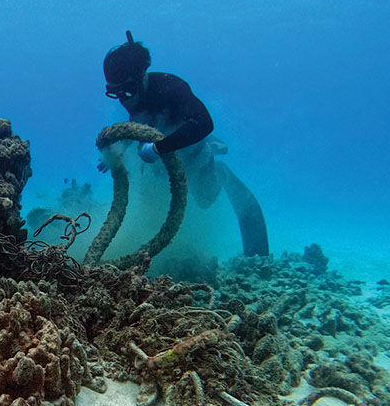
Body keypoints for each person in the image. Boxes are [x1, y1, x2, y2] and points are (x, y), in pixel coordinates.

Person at [101, 30, 269, 257]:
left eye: (127, 90)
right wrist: (120, 149)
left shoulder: (172, 87)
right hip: (160, 160)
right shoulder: (131, 95)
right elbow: (139, 124)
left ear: (142, 76)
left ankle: (219, 170)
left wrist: (159, 148)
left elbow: (205, 124)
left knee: (205, 200)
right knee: (154, 207)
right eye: (114, 92)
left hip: (193, 154)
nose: (123, 98)